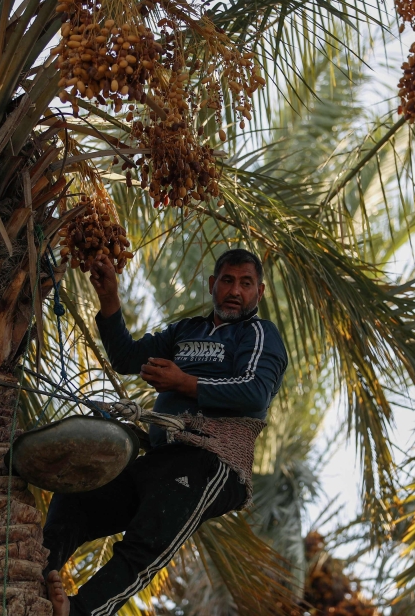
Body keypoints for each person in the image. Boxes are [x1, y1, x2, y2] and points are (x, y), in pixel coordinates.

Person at [42, 248, 288, 616]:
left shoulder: (259, 334)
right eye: (228, 281)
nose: (235, 290)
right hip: (159, 459)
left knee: (147, 541)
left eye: (246, 283)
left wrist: (185, 382)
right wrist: (109, 299)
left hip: (211, 460)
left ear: (260, 292)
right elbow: (126, 357)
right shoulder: (186, 331)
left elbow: (255, 390)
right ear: (212, 285)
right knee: (78, 495)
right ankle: (36, 574)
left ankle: (78, 612)